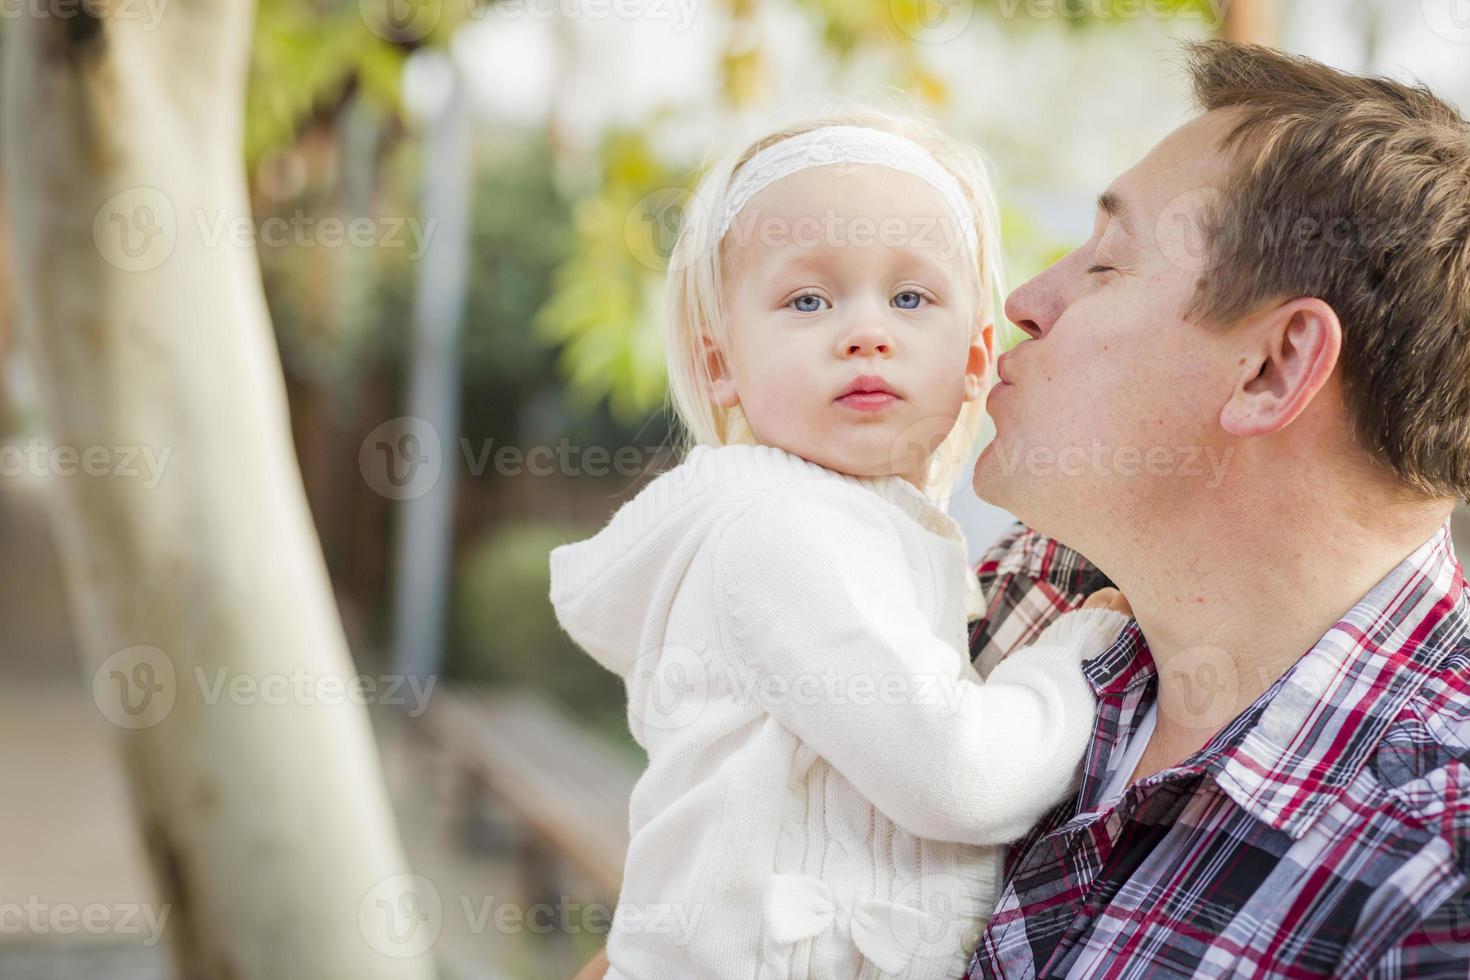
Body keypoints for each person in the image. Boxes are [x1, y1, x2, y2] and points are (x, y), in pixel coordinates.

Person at [550, 110, 1131, 980]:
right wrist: (1076, 652)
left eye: (910, 297)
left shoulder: (865, 527)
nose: (867, 332)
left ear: (975, 358)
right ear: (720, 366)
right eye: (808, 300)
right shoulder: (781, 532)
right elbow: (955, 774)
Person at [962, 40, 1470, 977]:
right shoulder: (1023, 596)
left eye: (1108, 265)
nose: (1026, 303)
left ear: (1274, 368)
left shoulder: (1436, 884)